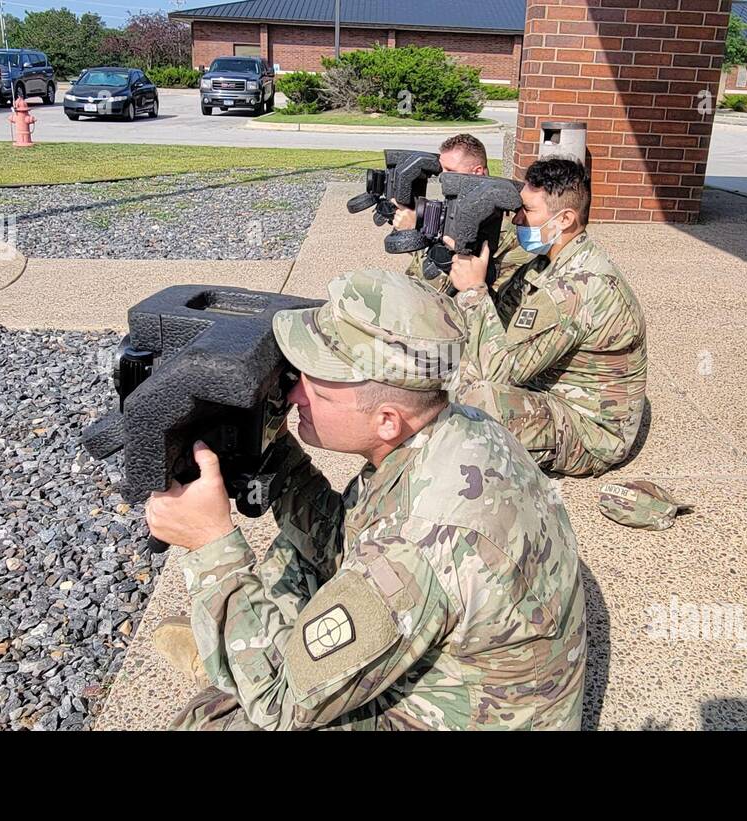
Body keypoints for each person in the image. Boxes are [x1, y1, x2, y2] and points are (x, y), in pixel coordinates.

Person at [145, 269, 586, 730]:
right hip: (480, 668)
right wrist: (269, 442)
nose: (294, 395)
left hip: (466, 714)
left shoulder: (418, 543)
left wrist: (210, 547)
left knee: (218, 722)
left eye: (312, 387)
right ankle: (240, 649)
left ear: (387, 420)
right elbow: (345, 534)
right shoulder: (457, 423)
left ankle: (238, 657)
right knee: (293, 558)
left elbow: (279, 706)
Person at [446, 157, 648, 477]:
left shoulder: (577, 288)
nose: (517, 221)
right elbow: (499, 321)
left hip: (589, 433)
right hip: (544, 389)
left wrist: (474, 291)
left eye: (528, 210)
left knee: (473, 397)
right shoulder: (549, 260)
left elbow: (500, 374)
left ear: (564, 218)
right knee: (445, 363)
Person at [393, 133, 533, 294]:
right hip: (419, 300)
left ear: (477, 172)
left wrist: (416, 230)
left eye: (450, 171)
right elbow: (423, 263)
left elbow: (493, 294)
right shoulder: (454, 205)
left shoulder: (506, 225)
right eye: (442, 170)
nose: (442, 177)